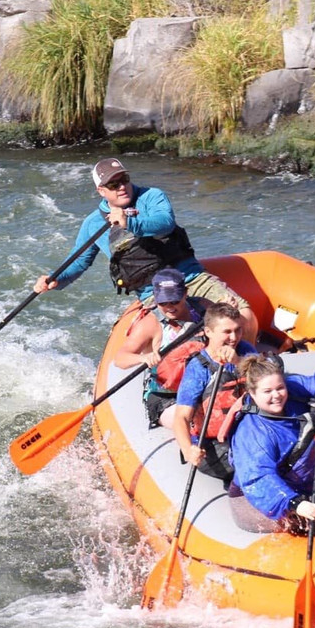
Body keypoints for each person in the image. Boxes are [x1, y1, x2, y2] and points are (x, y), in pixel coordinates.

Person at [33, 157, 258, 342]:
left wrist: (129, 222)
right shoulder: (93, 223)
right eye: (113, 184)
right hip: (154, 293)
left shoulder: (151, 197)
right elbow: (80, 261)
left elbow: (164, 222)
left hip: (191, 278)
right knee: (184, 339)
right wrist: (57, 279)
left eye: (124, 179)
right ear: (101, 190)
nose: (121, 187)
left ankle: (248, 362)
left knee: (245, 315)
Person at [228, 355, 315, 540]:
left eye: (280, 388)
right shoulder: (252, 431)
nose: (276, 395)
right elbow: (258, 478)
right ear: (252, 394)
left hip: (301, 487)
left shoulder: (291, 390)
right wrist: (294, 503)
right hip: (258, 500)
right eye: (267, 391)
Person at [114, 268, 209, 429]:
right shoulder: (151, 323)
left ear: (185, 293)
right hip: (167, 395)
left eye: (175, 301)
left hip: (203, 385)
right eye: (163, 303)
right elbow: (120, 358)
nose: (169, 307)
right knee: (196, 425)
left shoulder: (203, 307)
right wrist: (143, 358)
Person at [172, 302, 257, 480]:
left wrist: (239, 362)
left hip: (251, 430)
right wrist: (188, 450)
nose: (234, 337)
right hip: (216, 443)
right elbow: (181, 417)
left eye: (238, 330)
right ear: (208, 332)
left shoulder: (246, 351)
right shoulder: (198, 368)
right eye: (227, 332)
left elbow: (270, 377)